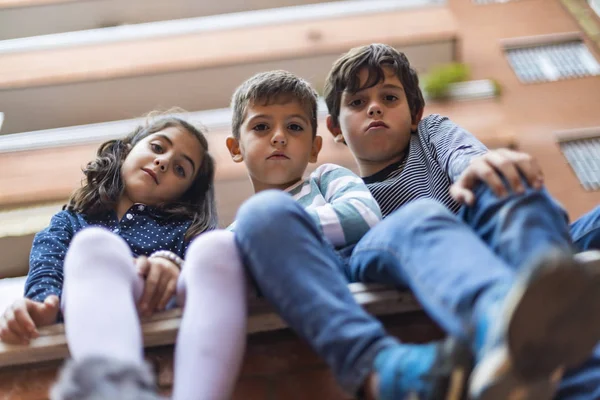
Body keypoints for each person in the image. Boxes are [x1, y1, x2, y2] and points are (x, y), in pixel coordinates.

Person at [230, 67, 600, 400]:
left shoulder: (404, 147)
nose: (375, 108)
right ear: (335, 129)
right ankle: (527, 334)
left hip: (492, 239)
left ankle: (531, 320)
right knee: (267, 214)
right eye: (358, 102)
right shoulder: (270, 214)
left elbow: (462, 158)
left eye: (389, 98)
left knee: (497, 185)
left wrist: (484, 162)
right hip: (375, 254)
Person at [0, 115, 247, 400]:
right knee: (93, 244)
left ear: (183, 194)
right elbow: (47, 272)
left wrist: (171, 263)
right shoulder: (69, 223)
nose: (164, 162)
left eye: (180, 169)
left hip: (161, 302)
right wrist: (41, 305)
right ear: (127, 149)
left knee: (219, 245)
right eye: (157, 147)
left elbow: (212, 277)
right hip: (85, 300)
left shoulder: (186, 234)